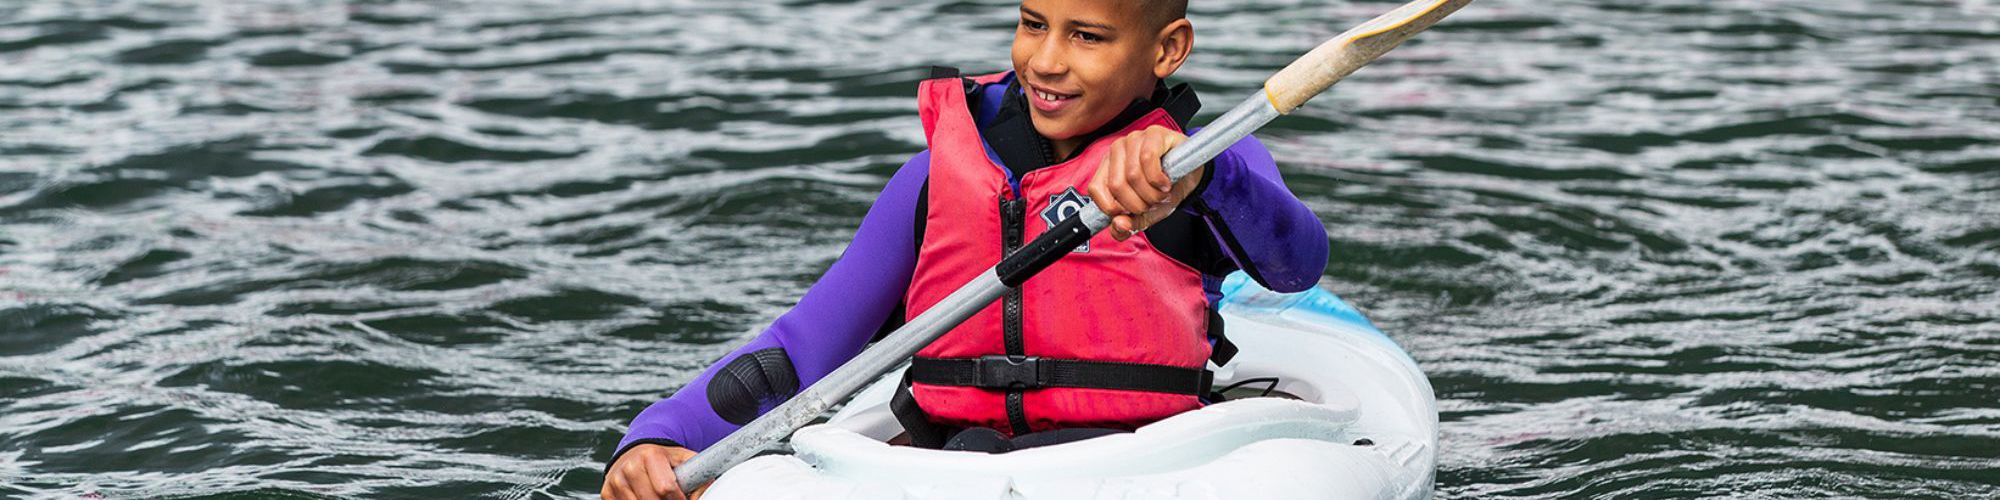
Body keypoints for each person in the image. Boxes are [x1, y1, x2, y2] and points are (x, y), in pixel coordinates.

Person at [601, 0, 1327, 498]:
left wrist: (1202, 174)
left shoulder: (1199, 165)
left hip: (1143, 462)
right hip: (952, 464)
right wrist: (658, 435)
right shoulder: (936, 177)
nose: (1045, 61)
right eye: (1032, 23)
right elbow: (808, 346)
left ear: (1166, 48)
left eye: (1087, 36)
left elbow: (1295, 264)